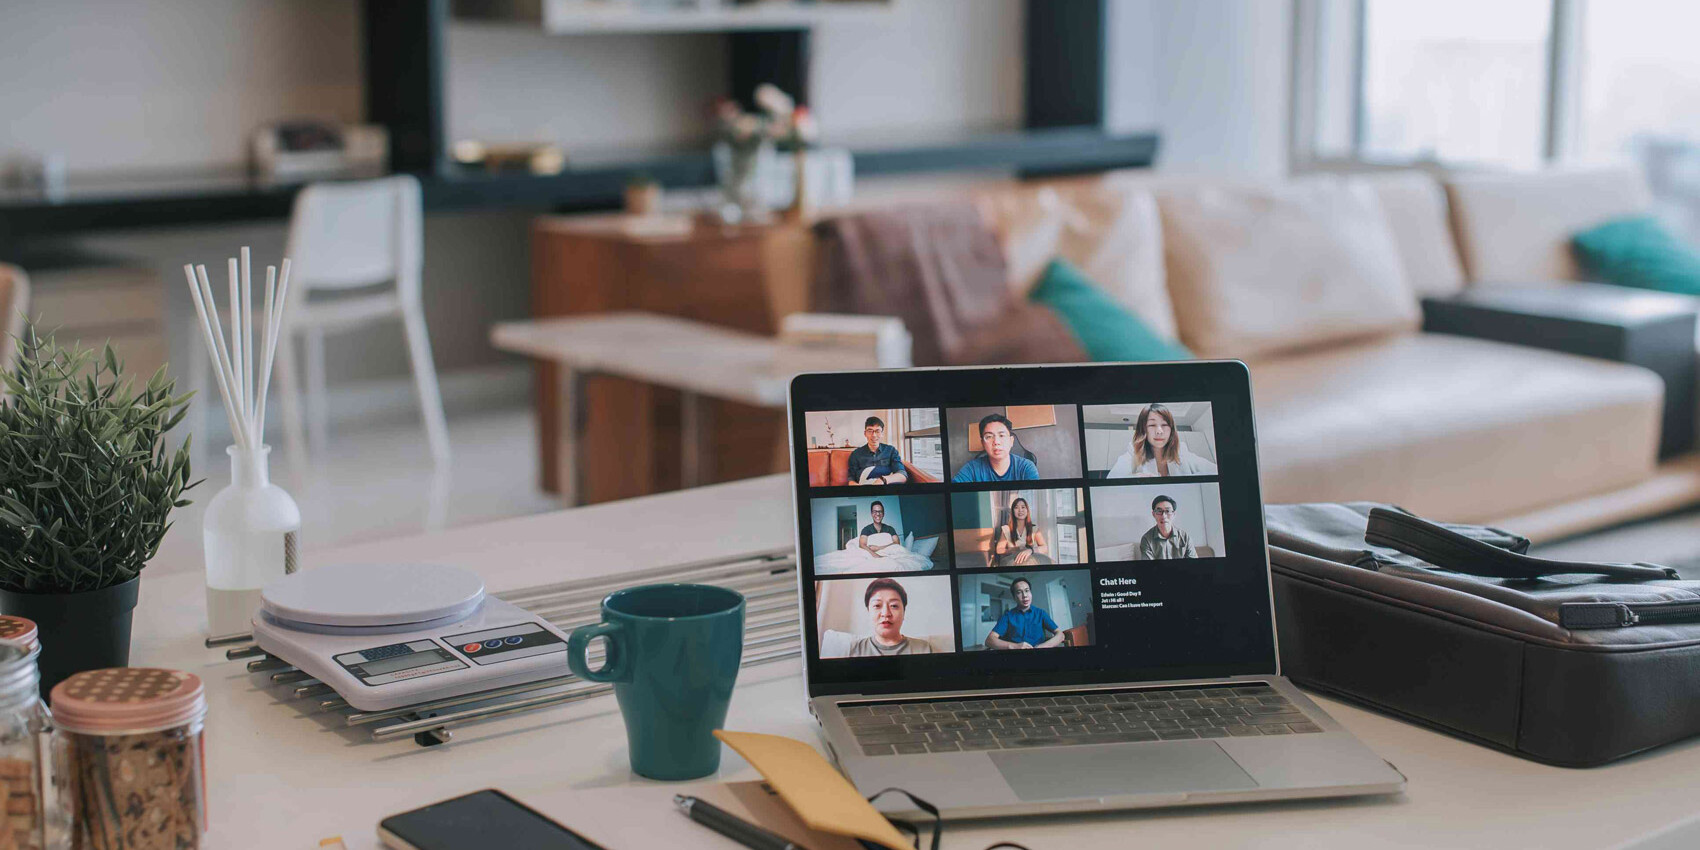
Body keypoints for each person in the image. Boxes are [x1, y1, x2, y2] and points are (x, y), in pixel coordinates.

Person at [1107, 403, 1218, 478]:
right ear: (1143, 429)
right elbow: (1112, 478)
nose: (1159, 431)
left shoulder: (1182, 451)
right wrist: (1134, 479)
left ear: (1171, 430)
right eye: (1152, 425)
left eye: (1164, 424)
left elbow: (1214, 470)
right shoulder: (1133, 452)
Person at [846, 578, 935, 656]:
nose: (886, 613)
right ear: (868, 611)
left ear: (904, 612)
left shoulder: (923, 648)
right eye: (877, 605)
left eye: (894, 606)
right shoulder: (855, 649)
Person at [952, 413, 1040, 482]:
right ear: (983, 443)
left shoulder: (1026, 467)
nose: (996, 442)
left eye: (1001, 435)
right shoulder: (972, 468)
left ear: (1011, 441)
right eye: (989, 437)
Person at [984, 577, 1064, 650]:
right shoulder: (1007, 616)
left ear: (1031, 593)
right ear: (1014, 597)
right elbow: (989, 640)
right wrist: (1015, 646)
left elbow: (1060, 634)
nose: (1025, 595)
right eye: (1019, 592)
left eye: (1027, 590)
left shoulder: (1041, 613)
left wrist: (1042, 646)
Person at [847, 417, 907, 485]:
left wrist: (882, 480)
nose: (874, 435)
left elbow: (902, 476)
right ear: (865, 433)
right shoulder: (855, 454)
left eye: (877, 431)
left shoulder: (891, 451)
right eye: (870, 431)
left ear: (882, 433)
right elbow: (851, 480)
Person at [993, 497, 1051, 567]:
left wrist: (1030, 550)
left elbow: (1045, 547)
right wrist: (1015, 550)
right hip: (1012, 560)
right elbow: (999, 550)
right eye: (1016, 507)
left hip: (1030, 558)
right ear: (1013, 511)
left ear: (1027, 510)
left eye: (1023, 507)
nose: (1020, 510)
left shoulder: (1034, 528)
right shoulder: (1006, 529)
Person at [1138, 494, 1197, 560]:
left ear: (1174, 514)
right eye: (1159, 511)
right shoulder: (1146, 539)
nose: (1164, 516)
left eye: (1168, 511)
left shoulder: (1185, 537)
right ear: (1154, 514)